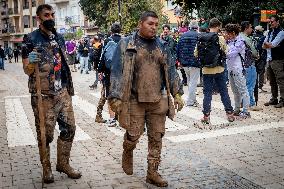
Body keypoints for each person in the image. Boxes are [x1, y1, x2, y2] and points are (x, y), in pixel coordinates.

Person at [108, 11, 184, 187]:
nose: (154, 27)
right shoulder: (126, 43)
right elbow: (117, 71)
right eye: (150, 24)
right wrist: (115, 96)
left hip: (158, 100)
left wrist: (177, 93)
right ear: (140, 23)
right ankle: (128, 149)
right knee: (133, 135)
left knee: (156, 137)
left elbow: (171, 70)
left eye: (156, 24)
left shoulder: (162, 45)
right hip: (134, 100)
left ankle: (152, 172)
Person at [21, 4, 81, 183]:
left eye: (52, 14)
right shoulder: (30, 39)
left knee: (70, 128)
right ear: (38, 19)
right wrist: (31, 62)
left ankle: (63, 163)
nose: (51, 18)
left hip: (62, 92)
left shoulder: (59, 38)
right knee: (45, 134)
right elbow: (26, 69)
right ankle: (46, 168)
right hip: (43, 95)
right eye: (46, 15)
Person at [195, 18, 235, 124]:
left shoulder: (201, 37)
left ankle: (206, 116)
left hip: (206, 70)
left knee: (207, 94)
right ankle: (230, 114)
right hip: (219, 69)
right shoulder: (220, 38)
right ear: (217, 26)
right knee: (223, 92)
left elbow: (196, 54)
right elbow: (226, 52)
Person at [95, 22, 122, 126]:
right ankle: (119, 116)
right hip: (121, 73)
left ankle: (112, 119)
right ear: (120, 30)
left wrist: (100, 70)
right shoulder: (124, 40)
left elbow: (103, 56)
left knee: (109, 95)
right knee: (120, 94)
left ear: (111, 30)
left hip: (108, 73)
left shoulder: (107, 41)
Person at [225, 23, 251, 118]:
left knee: (243, 90)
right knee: (235, 91)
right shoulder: (230, 41)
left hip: (238, 69)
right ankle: (237, 109)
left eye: (228, 33)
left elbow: (230, 54)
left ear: (232, 33)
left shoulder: (240, 41)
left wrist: (224, 50)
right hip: (230, 69)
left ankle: (246, 111)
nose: (226, 35)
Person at [239, 21, 262, 111]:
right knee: (250, 85)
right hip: (249, 64)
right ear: (246, 28)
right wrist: (257, 55)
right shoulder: (247, 39)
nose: (252, 29)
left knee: (243, 85)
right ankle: (250, 104)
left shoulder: (238, 37)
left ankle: (242, 102)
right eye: (250, 27)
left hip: (240, 65)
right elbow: (254, 52)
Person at [177, 20, 200, 107]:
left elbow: (178, 49)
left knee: (190, 81)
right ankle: (190, 101)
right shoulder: (198, 36)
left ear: (189, 27)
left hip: (185, 62)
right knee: (193, 82)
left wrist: (179, 61)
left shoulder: (183, 36)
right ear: (196, 27)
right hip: (195, 62)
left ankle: (193, 100)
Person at [262, 15, 284, 108]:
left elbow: (273, 44)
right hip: (269, 59)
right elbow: (264, 45)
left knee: (281, 80)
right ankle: (274, 99)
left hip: (278, 60)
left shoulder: (281, 32)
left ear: (278, 22)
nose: (270, 23)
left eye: (272, 21)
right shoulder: (269, 32)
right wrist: (269, 45)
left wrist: (270, 45)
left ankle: (283, 100)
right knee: (272, 81)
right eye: (269, 22)